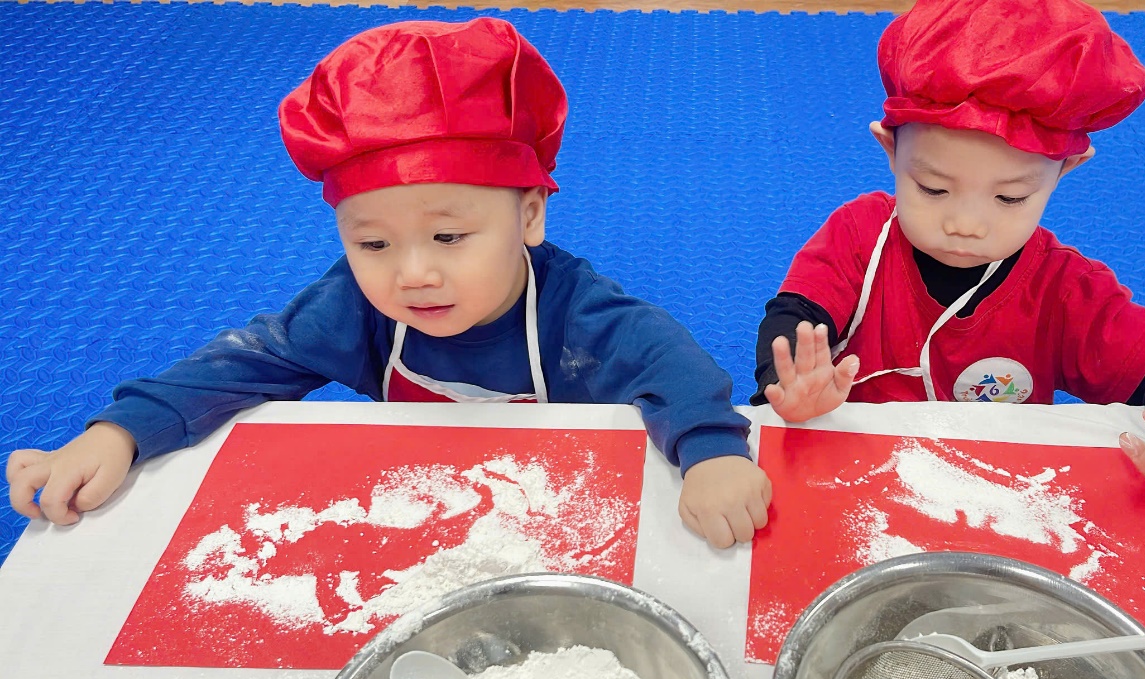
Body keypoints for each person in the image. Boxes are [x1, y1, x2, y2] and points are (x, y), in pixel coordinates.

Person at [6, 18, 770, 548]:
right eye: (372, 242)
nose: (413, 273)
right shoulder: (353, 308)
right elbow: (238, 365)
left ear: (530, 214)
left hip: (569, 511)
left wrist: (711, 453)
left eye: (448, 236)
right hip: (427, 507)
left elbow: (675, 367)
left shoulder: (579, 315)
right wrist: (119, 430)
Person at [752, 0, 1145, 487]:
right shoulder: (859, 234)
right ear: (890, 150)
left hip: (995, 490)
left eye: (1008, 198)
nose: (965, 224)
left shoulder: (1064, 290)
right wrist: (794, 383)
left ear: (1065, 171)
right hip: (851, 465)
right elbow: (795, 316)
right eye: (932, 188)